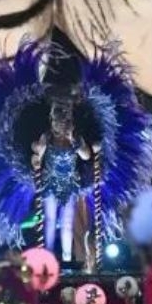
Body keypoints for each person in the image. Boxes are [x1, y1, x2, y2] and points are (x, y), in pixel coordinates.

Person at [31, 90, 100, 262]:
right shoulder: (47, 137)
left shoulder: (76, 138)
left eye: (65, 121)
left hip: (70, 183)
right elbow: (38, 154)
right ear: (52, 121)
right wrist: (36, 157)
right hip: (50, 182)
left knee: (67, 222)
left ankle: (68, 259)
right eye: (58, 121)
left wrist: (74, 141)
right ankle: (47, 258)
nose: (61, 126)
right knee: (50, 220)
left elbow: (86, 156)